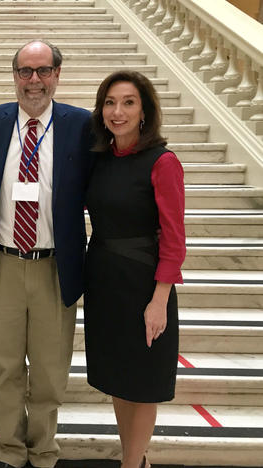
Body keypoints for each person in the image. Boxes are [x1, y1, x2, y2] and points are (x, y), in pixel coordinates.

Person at [0, 40, 94, 468]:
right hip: (2, 262)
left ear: (58, 73)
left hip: (55, 266)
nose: (33, 80)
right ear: (14, 75)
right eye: (25, 71)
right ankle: (10, 449)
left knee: (50, 371)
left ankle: (43, 450)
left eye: (42, 71)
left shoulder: (82, 125)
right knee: (3, 368)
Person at [84, 70, 185, 468]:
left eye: (128, 102)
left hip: (144, 284)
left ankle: (131, 464)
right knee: (119, 380)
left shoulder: (162, 161)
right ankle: (135, 460)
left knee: (142, 384)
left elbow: (174, 239)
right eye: (110, 102)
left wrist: (159, 300)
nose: (117, 111)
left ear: (144, 110)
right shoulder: (102, 159)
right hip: (105, 280)